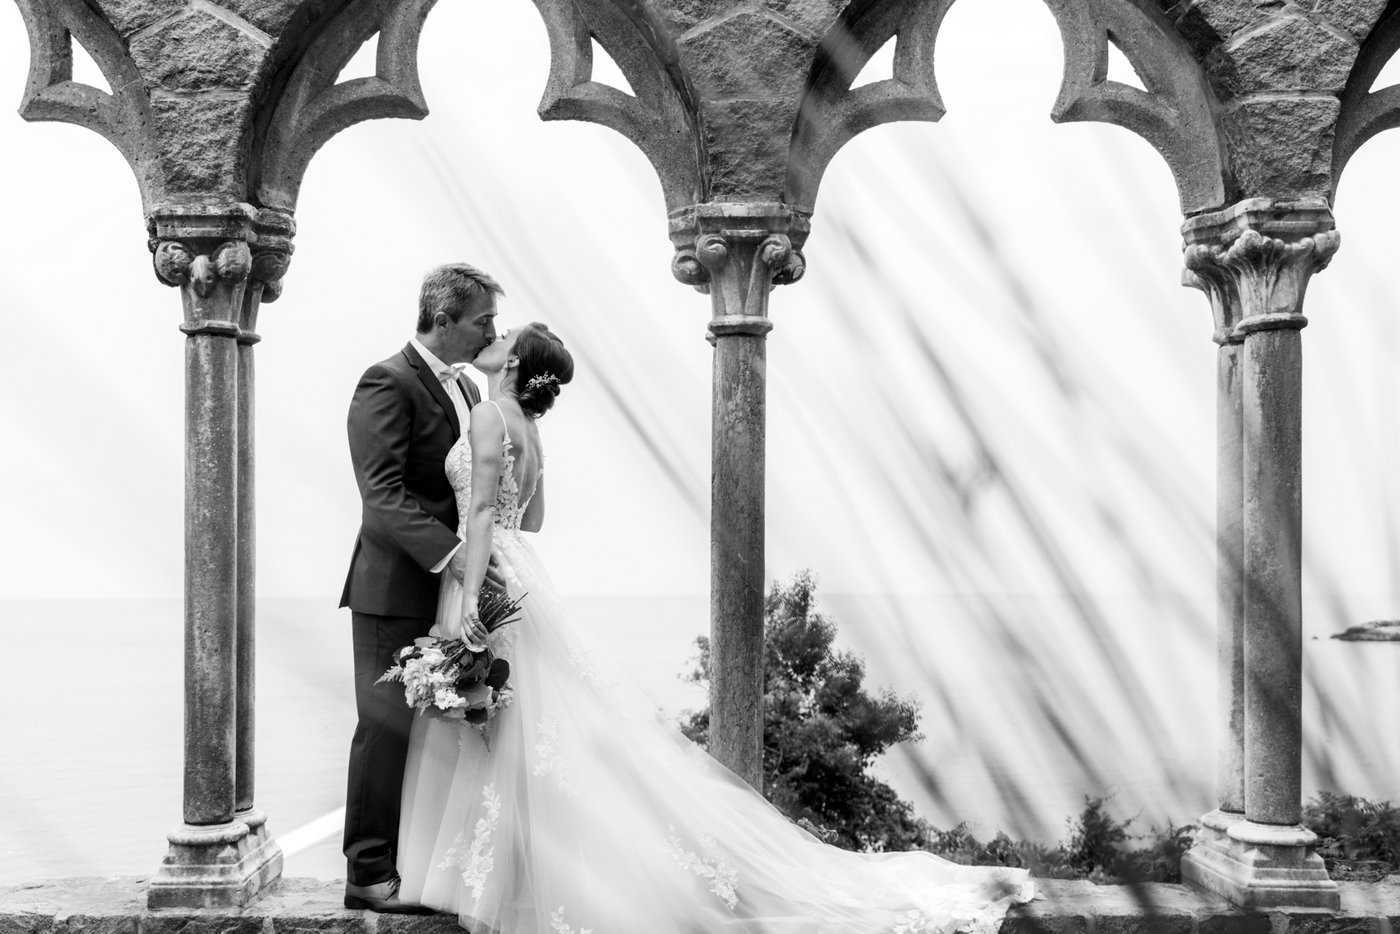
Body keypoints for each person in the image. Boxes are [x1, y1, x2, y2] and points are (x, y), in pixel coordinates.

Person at [394, 322, 1037, 933]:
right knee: (528, 725)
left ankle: (502, 885)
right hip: (527, 568)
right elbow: (530, 521)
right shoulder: (530, 429)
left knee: (509, 728)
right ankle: (522, 878)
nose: (494, 337)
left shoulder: (485, 413)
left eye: (503, 336)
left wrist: (472, 591)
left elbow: (479, 511)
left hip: (490, 574)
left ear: (512, 363)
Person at [340, 263, 503, 913]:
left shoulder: (467, 389)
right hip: (392, 588)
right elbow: (382, 496)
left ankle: (421, 862)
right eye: (482, 319)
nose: (493, 329)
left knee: (444, 725)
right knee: (384, 730)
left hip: (444, 593)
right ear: (443, 319)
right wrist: (458, 558)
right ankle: (368, 874)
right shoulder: (387, 381)